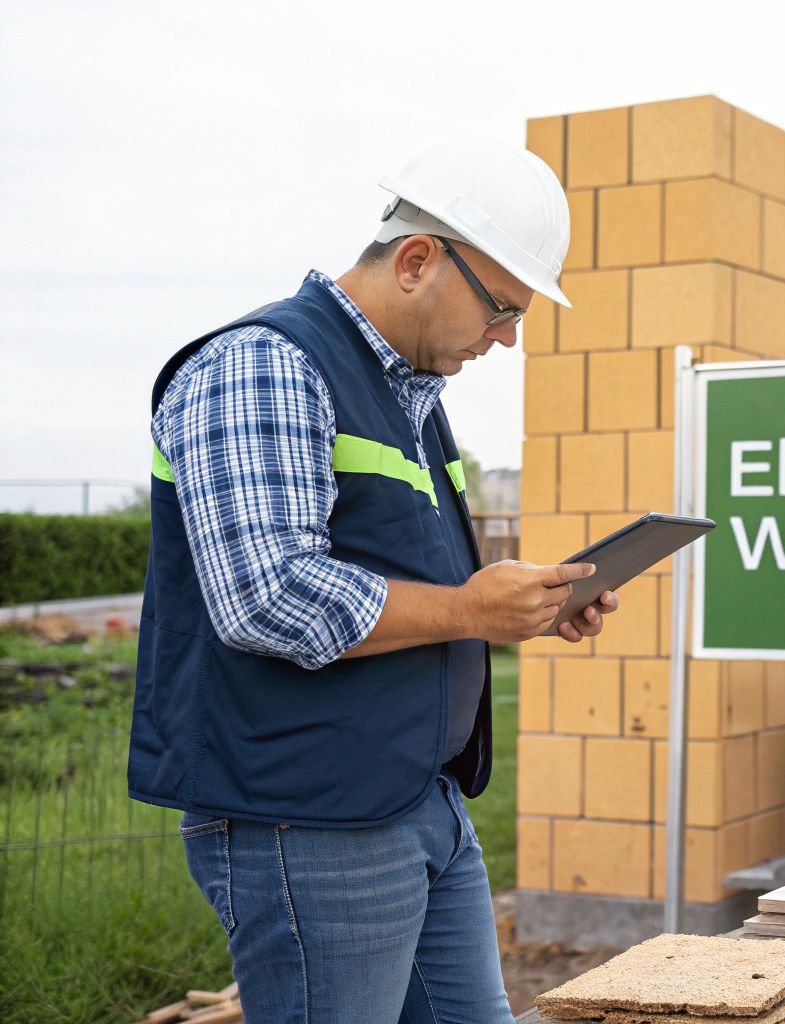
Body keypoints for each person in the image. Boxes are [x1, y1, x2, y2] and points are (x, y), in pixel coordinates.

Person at [128, 137, 608, 1022]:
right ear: (419, 260)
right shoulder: (264, 365)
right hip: (308, 814)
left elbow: (412, 581)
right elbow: (268, 595)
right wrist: (470, 606)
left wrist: (523, 606)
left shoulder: (411, 398)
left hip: (417, 798)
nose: (505, 340)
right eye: (503, 309)